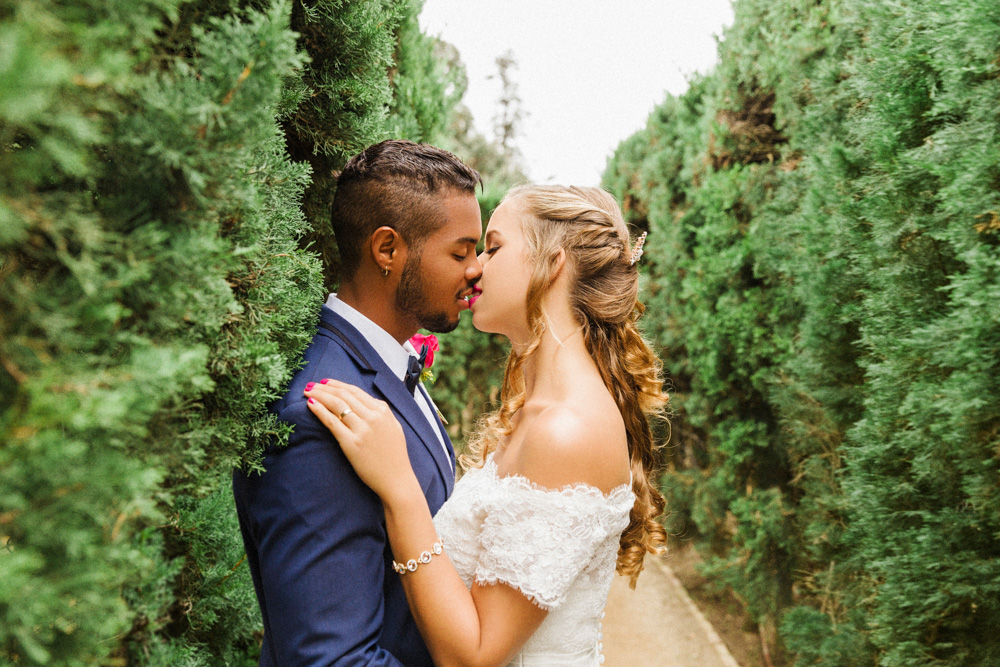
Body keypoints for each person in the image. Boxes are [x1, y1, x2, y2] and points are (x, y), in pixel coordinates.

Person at [305, 185, 669, 666]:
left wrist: (399, 487)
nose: (475, 266)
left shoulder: (564, 431)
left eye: (494, 247)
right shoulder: (546, 411)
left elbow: (473, 656)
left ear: (553, 263)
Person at [232, 139, 484, 666]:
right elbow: (331, 658)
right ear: (387, 249)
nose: (476, 269)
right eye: (461, 252)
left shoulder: (379, 365)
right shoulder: (318, 416)